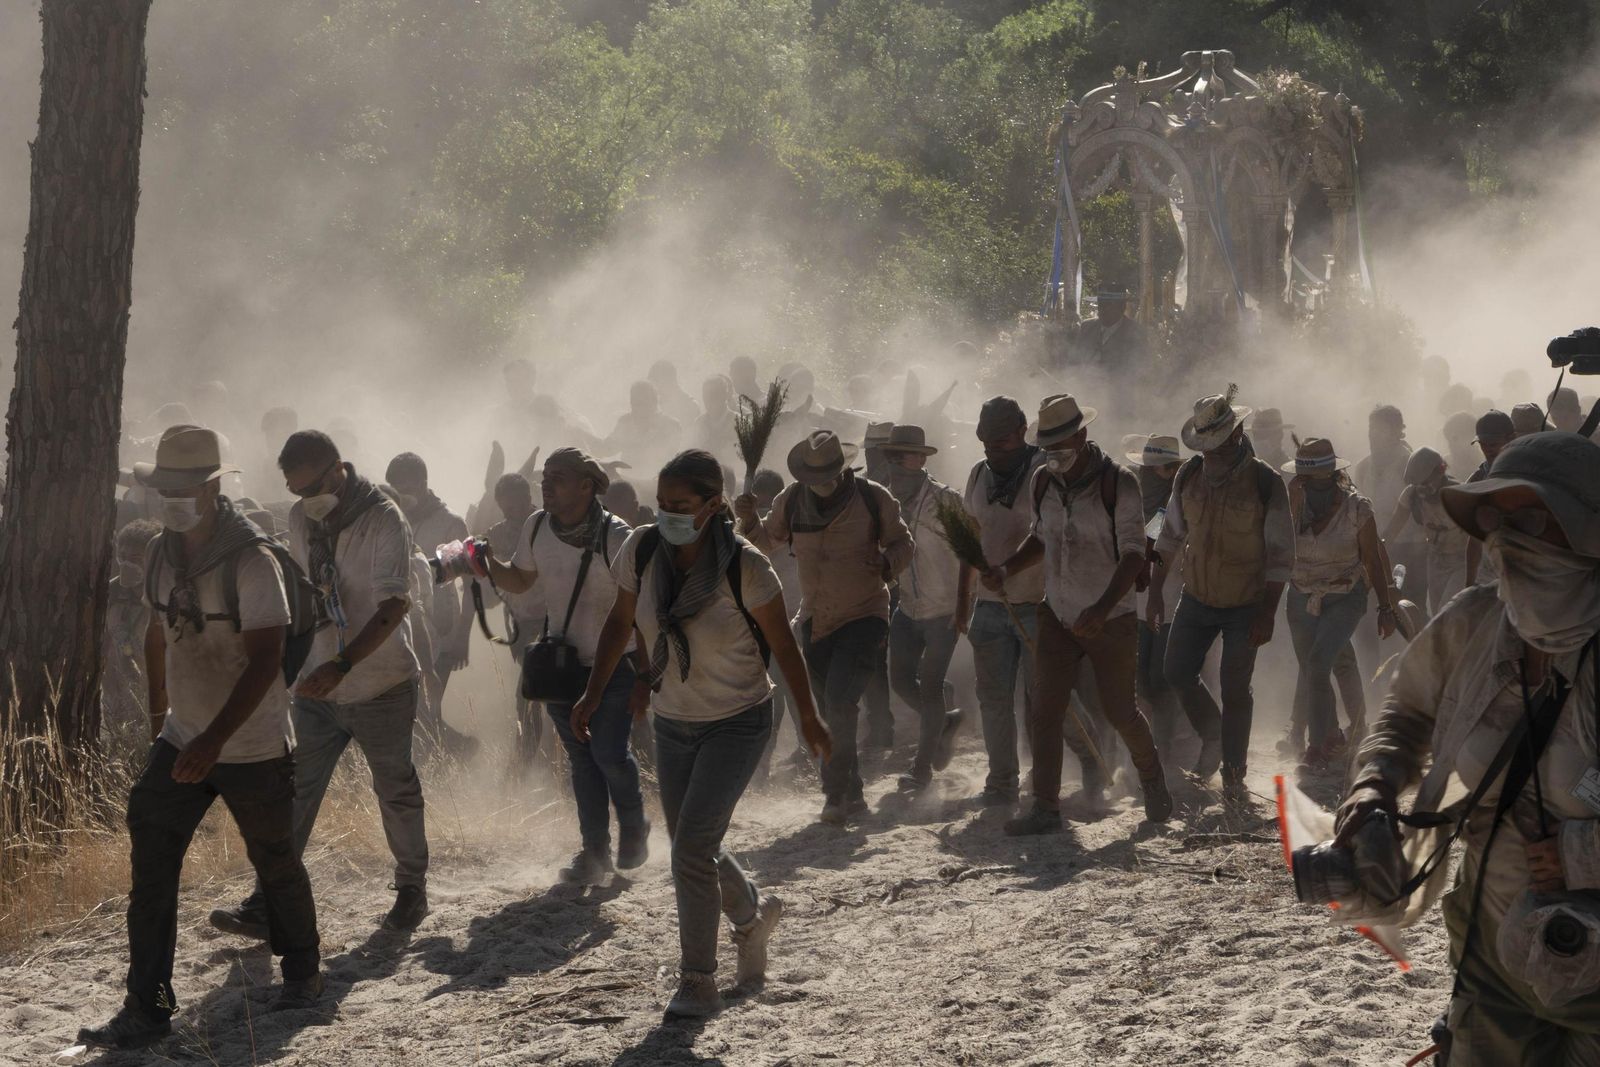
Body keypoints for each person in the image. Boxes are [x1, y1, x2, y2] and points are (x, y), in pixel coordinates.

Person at [1336, 431, 1600, 1064]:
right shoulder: (1474, 621)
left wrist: (1578, 854)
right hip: (1489, 960)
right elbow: (1404, 716)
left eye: (1531, 516)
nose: (1507, 537)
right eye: (1493, 518)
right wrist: (1372, 791)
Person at [80, 427, 322, 1051]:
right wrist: (166, 721)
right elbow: (160, 636)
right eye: (165, 487)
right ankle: (148, 1007)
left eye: (185, 487)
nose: (172, 498)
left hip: (252, 744)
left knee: (275, 861)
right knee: (152, 870)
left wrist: (213, 740)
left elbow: (266, 660)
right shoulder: (161, 554)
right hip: (184, 736)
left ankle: (301, 972)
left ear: (213, 487)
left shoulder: (253, 561)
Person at [580, 450, 832, 1018]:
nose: (667, 514)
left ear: (713, 505)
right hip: (675, 721)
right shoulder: (642, 548)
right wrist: (599, 691)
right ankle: (752, 920)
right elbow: (622, 622)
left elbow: (786, 650)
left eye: (681, 506)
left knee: (689, 848)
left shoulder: (746, 567)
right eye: (662, 504)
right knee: (697, 846)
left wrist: (811, 717)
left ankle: (697, 978)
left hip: (738, 721)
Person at [210, 430, 430, 939]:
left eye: (312, 487)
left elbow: (393, 606)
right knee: (294, 792)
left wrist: (343, 665)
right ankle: (268, 900)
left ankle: (411, 890)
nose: (306, 500)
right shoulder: (300, 519)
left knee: (395, 788)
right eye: (296, 491)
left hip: (381, 681)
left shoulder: (383, 518)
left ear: (337, 470)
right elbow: (303, 596)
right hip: (316, 685)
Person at [986, 396, 1173, 833]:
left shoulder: (1119, 484)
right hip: (1057, 613)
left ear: (1083, 435)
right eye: (1047, 445)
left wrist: (1102, 607)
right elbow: (1041, 538)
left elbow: (1131, 556)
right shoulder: (1041, 482)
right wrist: (1007, 568)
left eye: (1061, 443)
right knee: (1044, 711)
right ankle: (1046, 808)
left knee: (1120, 711)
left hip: (1113, 617)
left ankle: (1153, 781)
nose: (1054, 454)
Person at [482, 449, 647, 884]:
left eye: (558, 478)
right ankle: (594, 853)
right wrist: (488, 566)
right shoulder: (537, 526)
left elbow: (641, 608)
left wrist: (646, 673)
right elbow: (520, 578)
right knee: (582, 760)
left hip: (613, 665)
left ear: (587, 486)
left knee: (610, 755)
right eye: (545, 478)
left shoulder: (617, 537)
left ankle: (633, 826)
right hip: (562, 666)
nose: (546, 485)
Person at [737, 431, 913, 824]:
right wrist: (748, 520)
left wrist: (887, 566)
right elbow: (764, 543)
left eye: (828, 474)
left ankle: (833, 796)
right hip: (815, 620)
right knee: (833, 710)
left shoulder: (873, 498)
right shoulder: (792, 500)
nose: (821, 482)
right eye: (813, 476)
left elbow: (903, 542)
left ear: (842, 468)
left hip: (866, 614)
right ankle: (853, 794)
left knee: (839, 703)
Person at [1151, 390, 1295, 802]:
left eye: (1215, 444)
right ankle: (1212, 735)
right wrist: (1158, 590)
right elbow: (1170, 534)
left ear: (1235, 436)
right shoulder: (1188, 476)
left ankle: (1233, 774)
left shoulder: (1266, 482)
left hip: (1245, 602)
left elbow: (1282, 555)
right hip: (1196, 595)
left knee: (1235, 688)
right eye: (1203, 446)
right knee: (1176, 671)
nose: (1208, 453)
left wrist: (1267, 612)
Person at [1280, 438, 1397, 771]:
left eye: (1311, 474)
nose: (1305, 480)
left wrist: (1385, 607)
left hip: (1346, 594)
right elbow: (1279, 543)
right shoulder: (1292, 503)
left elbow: (1373, 559)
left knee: (1318, 663)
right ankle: (1357, 727)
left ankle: (1321, 742)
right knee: (1331, 662)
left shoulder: (1357, 508)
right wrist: (1291, 504)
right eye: (1302, 474)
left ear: (1331, 474)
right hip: (1301, 592)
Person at [962, 396, 1046, 807]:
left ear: (1023, 431)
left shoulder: (1045, 471)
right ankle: (1001, 782)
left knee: (1046, 699)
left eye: (1003, 443)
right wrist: (967, 601)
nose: (995, 451)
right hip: (990, 606)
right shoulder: (978, 474)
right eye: (988, 443)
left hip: (1038, 603)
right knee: (992, 699)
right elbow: (969, 540)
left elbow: (1050, 536)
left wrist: (1008, 570)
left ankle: (1077, 767)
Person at [878, 425, 966, 797]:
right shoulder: (882, 498)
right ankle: (944, 722)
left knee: (929, 686)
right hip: (908, 605)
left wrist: (965, 604)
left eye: (913, 455)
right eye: (900, 456)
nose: (907, 462)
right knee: (899, 680)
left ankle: (922, 770)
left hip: (944, 607)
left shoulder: (946, 500)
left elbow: (969, 554)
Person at [385, 452, 475, 756]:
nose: (402, 496)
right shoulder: (389, 520)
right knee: (413, 714)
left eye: (407, 488)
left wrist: (463, 636)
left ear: (424, 483)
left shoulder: (448, 524)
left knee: (426, 712)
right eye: (396, 488)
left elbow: (470, 584)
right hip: (400, 631)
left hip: (442, 631)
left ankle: (456, 758)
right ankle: (456, 753)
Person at [477, 473, 552, 774]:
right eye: (506, 507)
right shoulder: (495, 534)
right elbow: (489, 582)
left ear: (527, 497)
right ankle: (534, 758)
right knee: (533, 689)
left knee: (532, 691)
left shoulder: (547, 526)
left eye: (517, 504)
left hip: (554, 618)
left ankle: (523, 763)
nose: (513, 511)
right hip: (520, 622)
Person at [1124, 435, 1190, 755]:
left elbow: (1156, 544)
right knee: (1140, 675)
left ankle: (1165, 744)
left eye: (1157, 469)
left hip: (1168, 595)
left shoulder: (1177, 504)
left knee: (1159, 673)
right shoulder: (1133, 501)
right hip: (1135, 598)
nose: (1148, 475)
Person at [1383, 446, 1469, 615]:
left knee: (1448, 611)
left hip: (1462, 562)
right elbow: (1391, 532)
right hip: (1435, 560)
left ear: (1441, 471)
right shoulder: (1411, 495)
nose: (1421, 489)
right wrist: (1375, 557)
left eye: (1426, 482)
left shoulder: (1460, 496)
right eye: (1416, 484)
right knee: (1438, 614)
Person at [102, 518, 161, 749]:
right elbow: (104, 644)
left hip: (154, 697)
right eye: (122, 557)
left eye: (135, 560)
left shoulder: (164, 597)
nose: (127, 565)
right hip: (117, 695)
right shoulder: (110, 593)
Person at [1466, 410, 1517, 586]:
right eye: (1483, 443)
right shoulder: (1478, 479)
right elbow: (1473, 537)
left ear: (1511, 438)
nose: (1488, 448)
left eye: (1493, 442)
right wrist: (1469, 583)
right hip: (1489, 573)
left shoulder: (1526, 474)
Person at [607, 380, 683, 467]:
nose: (636, 408)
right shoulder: (625, 422)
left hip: (658, 478)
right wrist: (588, 440)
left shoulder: (671, 426)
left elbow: (671, 460)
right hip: (627, 478)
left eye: (641, 403)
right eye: (633, 402)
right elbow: (608, 448)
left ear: (654, 402)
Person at [649, 359, 702, 429]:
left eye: (656, 381)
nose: (654, 387)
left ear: (668, 380)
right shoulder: (656, 405)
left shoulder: (690, 406)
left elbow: (691, 437)